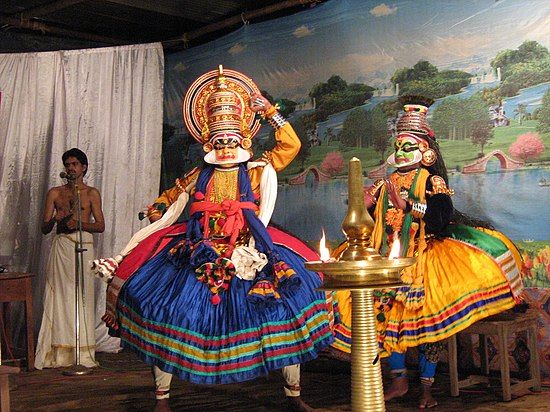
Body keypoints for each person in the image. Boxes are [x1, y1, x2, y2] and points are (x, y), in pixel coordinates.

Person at [92, 67, 334, 412]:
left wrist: (268, 111)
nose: (225, 147)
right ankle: (162, 400)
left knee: (285, 309)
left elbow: (290, 144)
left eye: (231, 141)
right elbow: (173, 200)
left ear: (243, 140)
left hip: (251, 247)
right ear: (209, 142)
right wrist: (156, 209)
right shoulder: (198, 173)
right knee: (167, 313)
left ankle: (293, 395)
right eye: (219, 142)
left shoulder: (257, 169)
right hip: (197, 248)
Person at [331, 97, 525, 408]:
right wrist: (361, 203)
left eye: (408, 146)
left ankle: (427, 389)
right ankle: (399, 382)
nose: (401, 152)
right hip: (386, 259)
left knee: (426, 328)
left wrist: (408, 205)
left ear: (426, 152)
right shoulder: (386, 183)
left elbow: (440, 217)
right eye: (398, 146)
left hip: (424, 258)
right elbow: (364, 221)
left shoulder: (432, 180)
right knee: (385, 321)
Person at [35, 148, 105, 369]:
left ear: (84, 167)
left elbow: (101, 225)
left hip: (83, 246)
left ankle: (83, 352)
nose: (71, 168)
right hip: (62, 246)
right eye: (67, 165)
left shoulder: (92, 193)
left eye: (75, 164)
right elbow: (44, 228)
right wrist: (57, 218)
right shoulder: (55, 193)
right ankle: (62, 353)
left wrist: (81, 225)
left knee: (82, 296)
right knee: (61, 296)